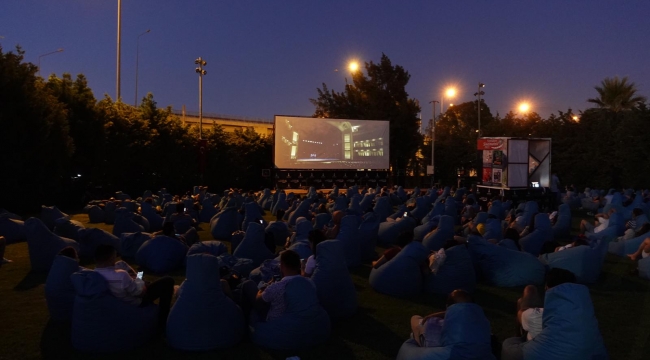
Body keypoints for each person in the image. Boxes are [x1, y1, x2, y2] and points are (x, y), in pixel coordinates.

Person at [93, 244, 175, 327]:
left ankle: (137, 278)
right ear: (111, 259)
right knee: (167, 280)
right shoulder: (121, 275)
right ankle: (163, 319)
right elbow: (140, 293)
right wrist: (139, 280)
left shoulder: (93, 274)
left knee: (121, 263)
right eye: (114, 257)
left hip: (117, 298)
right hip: (136, 301)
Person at [410, 289, 474, 347]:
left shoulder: (434, 324)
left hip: (432, 351)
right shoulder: (478, 327)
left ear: (447, 307)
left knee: (415, 319)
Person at [255, 250, 303, 321]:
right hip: (298, 320)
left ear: (283, 266)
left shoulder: (276, 287)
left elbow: (258, 299)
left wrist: (264, 288)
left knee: (247, 285)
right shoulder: (309, 283)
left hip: (275, 321)